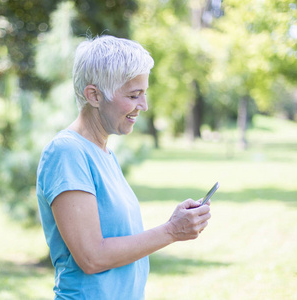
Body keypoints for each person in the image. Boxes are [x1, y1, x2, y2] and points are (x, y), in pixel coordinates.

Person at [36, 35, 211, 300]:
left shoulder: (105, 154)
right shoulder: (67, 153)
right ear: (94, 95)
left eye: (144, 94)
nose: (144, 106)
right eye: (133, 95)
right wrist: (171, 230)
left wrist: (172, 224)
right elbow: (91, 257)